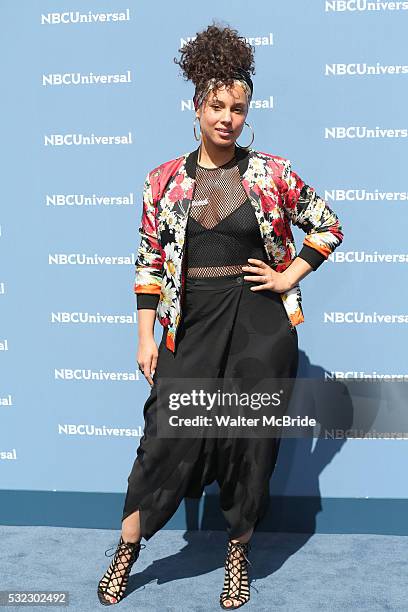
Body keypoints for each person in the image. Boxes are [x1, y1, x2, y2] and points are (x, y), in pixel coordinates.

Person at [97, 21, 344, 609]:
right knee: (163, 438)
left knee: (249, 443)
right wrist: (144, 336)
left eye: (238, 107)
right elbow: (149, 261)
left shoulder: (272, 173)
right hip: (191, 322)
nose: (228, 118)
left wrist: (289, 275)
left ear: (247, 112)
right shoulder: (163, 181)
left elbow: (328, 223)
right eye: (217, 106)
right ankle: (128, 550)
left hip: (259, 322)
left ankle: (239, 552)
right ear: (197, 107)